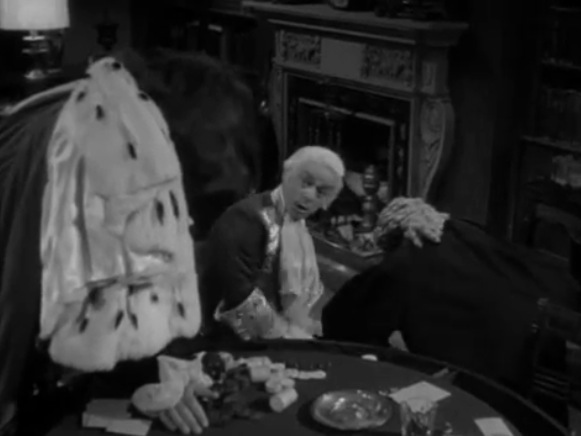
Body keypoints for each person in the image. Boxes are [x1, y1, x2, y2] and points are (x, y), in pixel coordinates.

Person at [322, 198, 579, 401]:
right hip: (557, 308)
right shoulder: (460, 227)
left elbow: (341, 319)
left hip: (512, 362)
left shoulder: (403, 262)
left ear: (390, 240)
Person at [200, 146, 345, 341]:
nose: (309, 196)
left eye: (321, 192)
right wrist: (286, 336)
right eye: (306, 183)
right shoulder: (247, 219)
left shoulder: (297, 226)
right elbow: (237, 296)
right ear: (286, 174)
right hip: (229, 338)